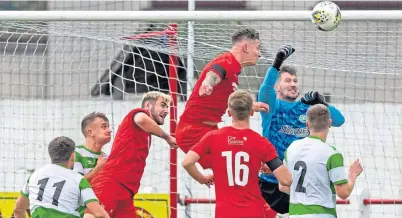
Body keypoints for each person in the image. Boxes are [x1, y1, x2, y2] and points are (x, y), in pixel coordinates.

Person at [257, 45, 346, 217]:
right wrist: (277, 64)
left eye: (295, 81)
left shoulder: (305, 109)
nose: (293, 84)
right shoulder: (273, 107)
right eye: (287, 80)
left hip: (300, 189)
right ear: (277, 87)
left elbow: (339, 120)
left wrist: (322, 102)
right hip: (271, 185)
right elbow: (265, 91)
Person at [182, 90, 292, 218]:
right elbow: (286, 180)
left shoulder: (213, 137)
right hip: (253, 213)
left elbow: (187, 162)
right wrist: (273, 170)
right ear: (251, 112)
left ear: (229, 113)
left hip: (224, 213)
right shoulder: (261, 143)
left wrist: (202, 178)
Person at [176, 28, 270, 170]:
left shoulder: (234, 70)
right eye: (257, 48)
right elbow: (215, 73)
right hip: (193, 131)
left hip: (207, 129)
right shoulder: (226, 62)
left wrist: (251, 105)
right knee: (232, 167)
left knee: (235, 167)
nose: (260, 53)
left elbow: (223, 96)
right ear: (245, 47)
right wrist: (208, 83)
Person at [85, 91, 177, 218]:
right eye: (162, 105)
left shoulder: (146, 132)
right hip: (111, 183)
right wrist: (167, 137)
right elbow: (140, 119)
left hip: (126, 193)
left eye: (167, 107)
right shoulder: (138, 114)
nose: (166, 110)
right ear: (148, 106)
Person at [279, 104, 363, 218]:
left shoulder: (291, 148)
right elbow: (343, 193)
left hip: (295, 215)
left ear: (307, 125)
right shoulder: (332, 154)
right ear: (329, 123)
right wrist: (352, 175)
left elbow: (283, 186)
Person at [13, 136, 109, 218]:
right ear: (72, 156)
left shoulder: (34, 176)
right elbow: (100, 214)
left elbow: (18, 209)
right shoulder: (79, 180)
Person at [73, 112, 112, 217]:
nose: (109, 130)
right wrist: (98, 168)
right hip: (78, 213)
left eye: (108, 127)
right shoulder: (75, 153)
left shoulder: (107, 158)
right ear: (90, 132)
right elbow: (76, 185)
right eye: (104, 127)